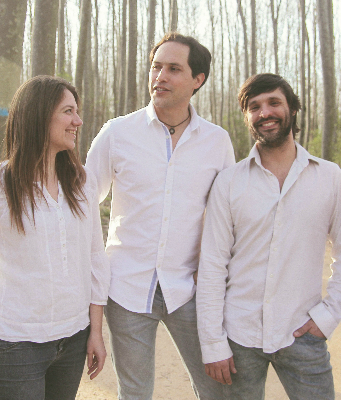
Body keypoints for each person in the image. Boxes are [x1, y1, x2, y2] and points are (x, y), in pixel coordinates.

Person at [85, 32, 234, 399]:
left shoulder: (217, 142)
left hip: (189, 289)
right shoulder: (117, 133)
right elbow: (83, 204)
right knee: (135, 393)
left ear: (197, 80)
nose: (160, 76)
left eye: (173, 69)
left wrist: (213, 272)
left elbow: (227, 218)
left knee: (217, 389)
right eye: (156, 67)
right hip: (126, 287)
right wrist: (92, 277)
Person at [196, 73, 341, 400]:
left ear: (292, 109)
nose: (265, 112)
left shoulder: (330, 178)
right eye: (254, 106)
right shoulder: (229, 183)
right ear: (247, 117)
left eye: (274, 102)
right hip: (238, 337)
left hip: (302, 334)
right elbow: (212, 264)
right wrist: (213, 342)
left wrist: (328, 316)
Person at [0, 75, 110, 400]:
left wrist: (95, 330)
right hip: (15, 348)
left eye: (76, 111)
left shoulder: (82, 182)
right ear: (39, 116)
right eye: (68, 111)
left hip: (73, 339)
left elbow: (95, 255)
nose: (78, 121)